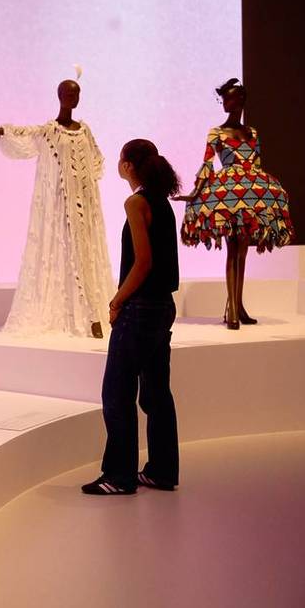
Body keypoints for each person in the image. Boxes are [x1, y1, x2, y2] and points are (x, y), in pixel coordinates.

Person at [0, 80, 112, 338]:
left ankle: (93, 312)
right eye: (69, 93)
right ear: (60, 96)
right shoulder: (50, 131)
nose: (74, 98)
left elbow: (95, 163)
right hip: (60, 207)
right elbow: (21, 133)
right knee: (65, 252)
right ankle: (80, 313)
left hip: (85, 203)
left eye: (77, 93)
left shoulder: (84, 131)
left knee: (85, 252)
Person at [82, 139, 181, 495]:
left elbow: (143, 262)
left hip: (139, 309)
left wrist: (117, 300)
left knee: (118, 392)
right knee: (156, 393)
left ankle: (119, 476)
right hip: (162, 307)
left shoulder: (135, 202)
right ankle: (161, 470)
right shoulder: (162, 202)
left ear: (127, 165)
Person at [177, 78, 294, 329]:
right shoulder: (216, 132)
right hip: (228, 192)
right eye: (223, 98)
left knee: (242, 248)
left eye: (229, 98)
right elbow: (208, 164)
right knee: (233, 247)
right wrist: (194, 193)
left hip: (249, 190)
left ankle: (237, 305)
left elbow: (257, 164)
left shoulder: (252, 132)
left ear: (240, 100)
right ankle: (232, 307)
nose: (225, 103)